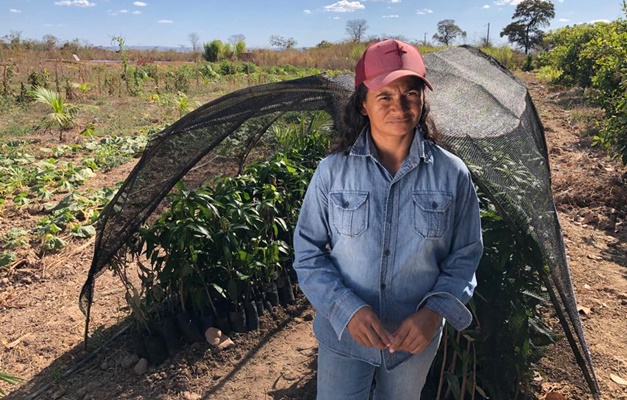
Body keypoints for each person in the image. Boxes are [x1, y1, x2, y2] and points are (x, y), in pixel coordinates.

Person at [292, 39, 484, 399]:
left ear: (422, 101)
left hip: (413, 341)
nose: (399, 106)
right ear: (362, 104)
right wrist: (346, 309)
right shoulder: (332, 173)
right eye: (384, 96)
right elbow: (308, 252)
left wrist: (434, 312)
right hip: (343, 334)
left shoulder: (452, 175)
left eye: (410, 94)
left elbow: (466, 254)